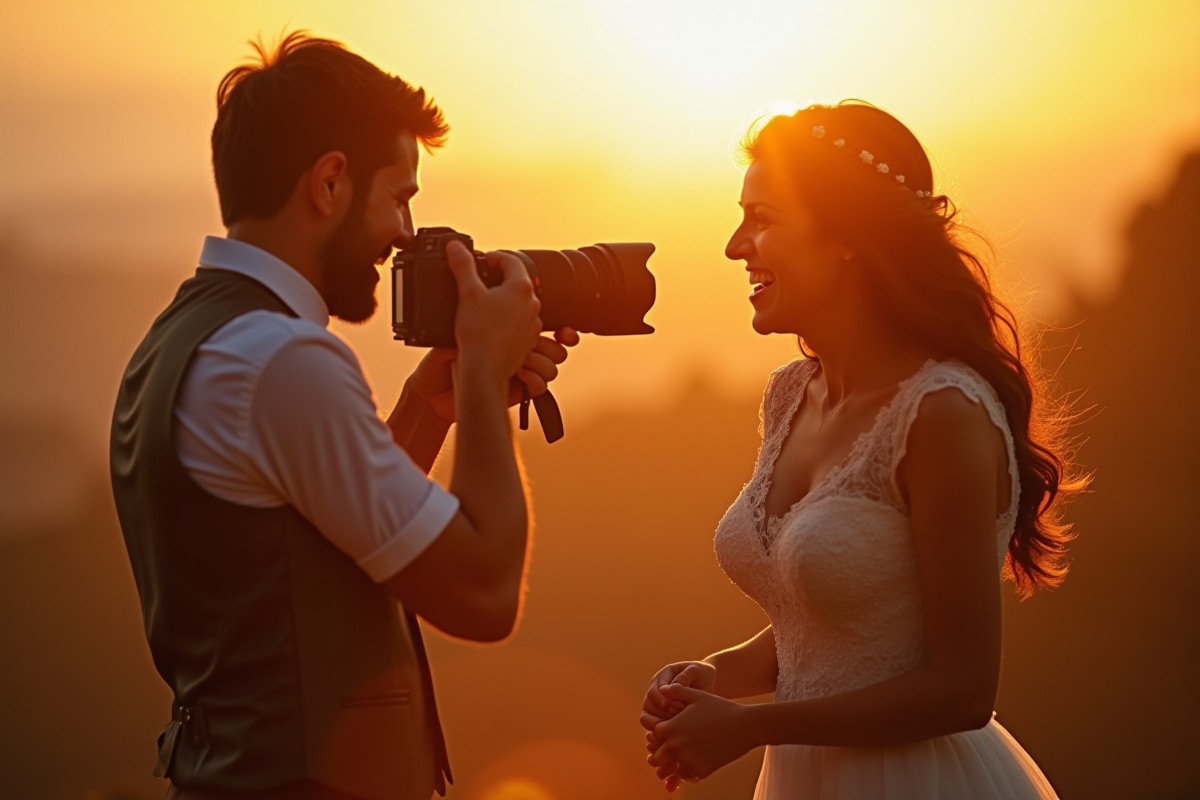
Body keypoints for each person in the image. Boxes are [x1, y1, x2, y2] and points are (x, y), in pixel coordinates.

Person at [110, 32, 577, 800]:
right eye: (399, 198)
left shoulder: (188, 335)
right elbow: (486, 592)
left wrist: (430, 410)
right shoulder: (282, 360)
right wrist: (489, 376)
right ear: (330, 183)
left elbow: (320, 531)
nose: (403, 235)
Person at [639, 101, 1084, 798]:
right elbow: (834, 629)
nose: (734, 244)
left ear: (846, 235)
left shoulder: (941, 413)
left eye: (764, 219)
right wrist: (716, 675)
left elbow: (962, 690)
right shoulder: (790, 396)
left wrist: (749, 728)